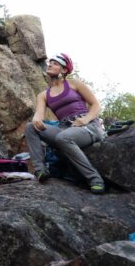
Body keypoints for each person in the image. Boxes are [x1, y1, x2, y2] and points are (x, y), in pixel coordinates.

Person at [25, 53, 106, 194]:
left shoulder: (75, 84)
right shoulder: (43, 95)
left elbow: (96, 105)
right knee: (30, 127)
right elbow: (39, 113)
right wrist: (36, 119)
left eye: (55, 63)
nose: (50, 64)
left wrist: (85, 119)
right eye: (50, 62)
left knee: (63, 138)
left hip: (89, 126)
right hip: (65, 129)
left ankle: (95, 179)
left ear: (64, 70)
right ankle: (41, 170)